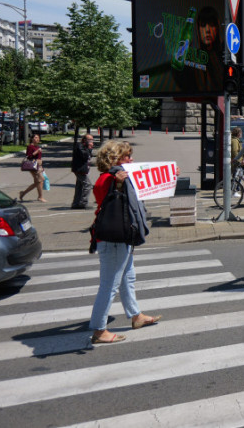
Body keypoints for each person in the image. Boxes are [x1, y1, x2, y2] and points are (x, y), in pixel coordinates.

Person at [87, 140, 162, 344]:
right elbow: (107, 201)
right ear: (115, 158)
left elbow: (148, 188)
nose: (131, 159)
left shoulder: (122, 177)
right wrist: (117, 184)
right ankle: (99, 330)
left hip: (122, 237)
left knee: (128, 278)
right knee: (109, 285)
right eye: (127, 156)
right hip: (113, 239)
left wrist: (170, 176)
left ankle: (136, 316)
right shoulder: (107, 179)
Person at [19, 133, 46, 202]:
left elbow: (39, 157)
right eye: (34, 137)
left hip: (39, 165)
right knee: (40, 180)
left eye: (37, 137)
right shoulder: (30, 147)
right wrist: (36, 152)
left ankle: (23, 193)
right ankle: (40, 197)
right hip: (33, 165)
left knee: (38, 182)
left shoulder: (37, 147)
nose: (36, 139)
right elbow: (28, 156)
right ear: (31, 139)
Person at [71, 134, 95, 209]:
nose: (91, 141)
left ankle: (76, 203)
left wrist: (90, 148)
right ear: (84, 140)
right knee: (88, 185)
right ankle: (83, 203)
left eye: (92, 140)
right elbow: (85, 156)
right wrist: (90, 148)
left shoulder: (85, 147)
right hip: (79, 169)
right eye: (89, 140)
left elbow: (89, 156)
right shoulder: (80, 146)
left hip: (83, 169)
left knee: (79, 186)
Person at [229, 127, 242, 198]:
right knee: (236, 176)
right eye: (241, 133)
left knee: (239, 175)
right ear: (238, 133)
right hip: (235, 162)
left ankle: (235, 189)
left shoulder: (235, 140)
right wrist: (237, 160)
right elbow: (234, 151)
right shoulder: (235, 141)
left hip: (235, 161)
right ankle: (234, 191)